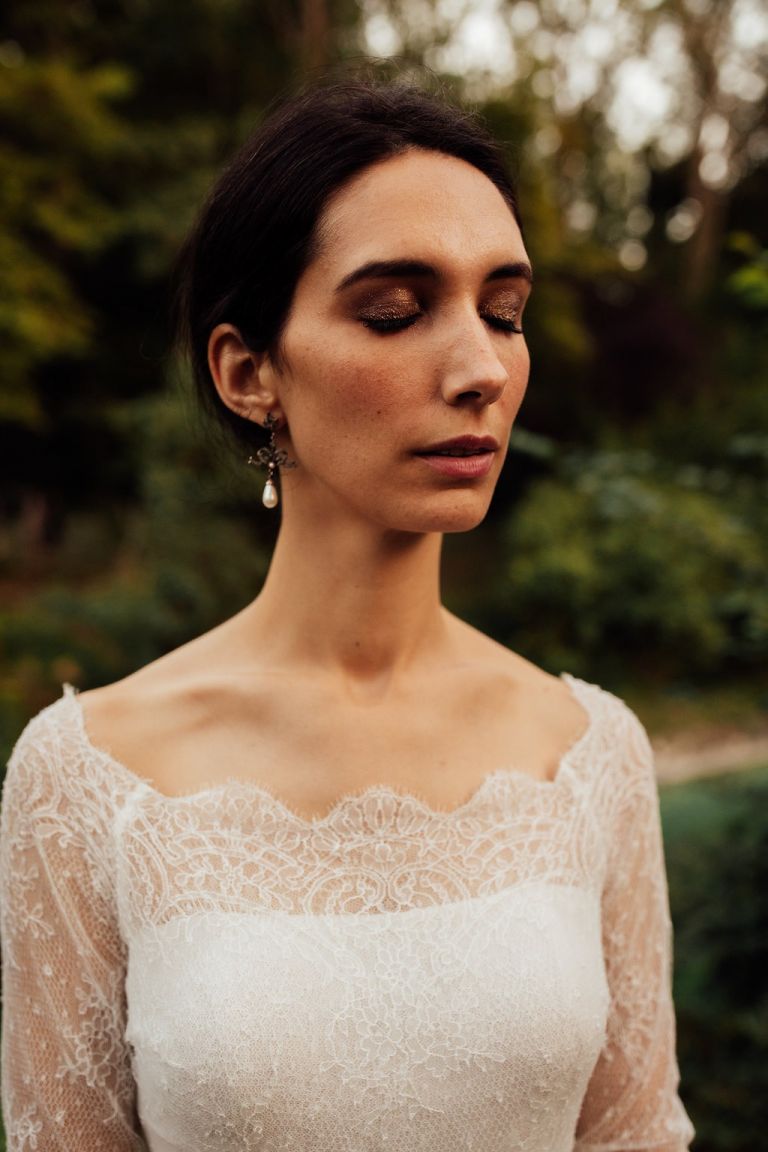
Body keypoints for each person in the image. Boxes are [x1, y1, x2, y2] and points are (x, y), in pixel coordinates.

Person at [0, 77, 695, 1152]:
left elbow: (637, 1135)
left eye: (504, 313)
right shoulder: (87, 780)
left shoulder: (591, 755)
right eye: (393, 312)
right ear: (248, 372)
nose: (480, 369)